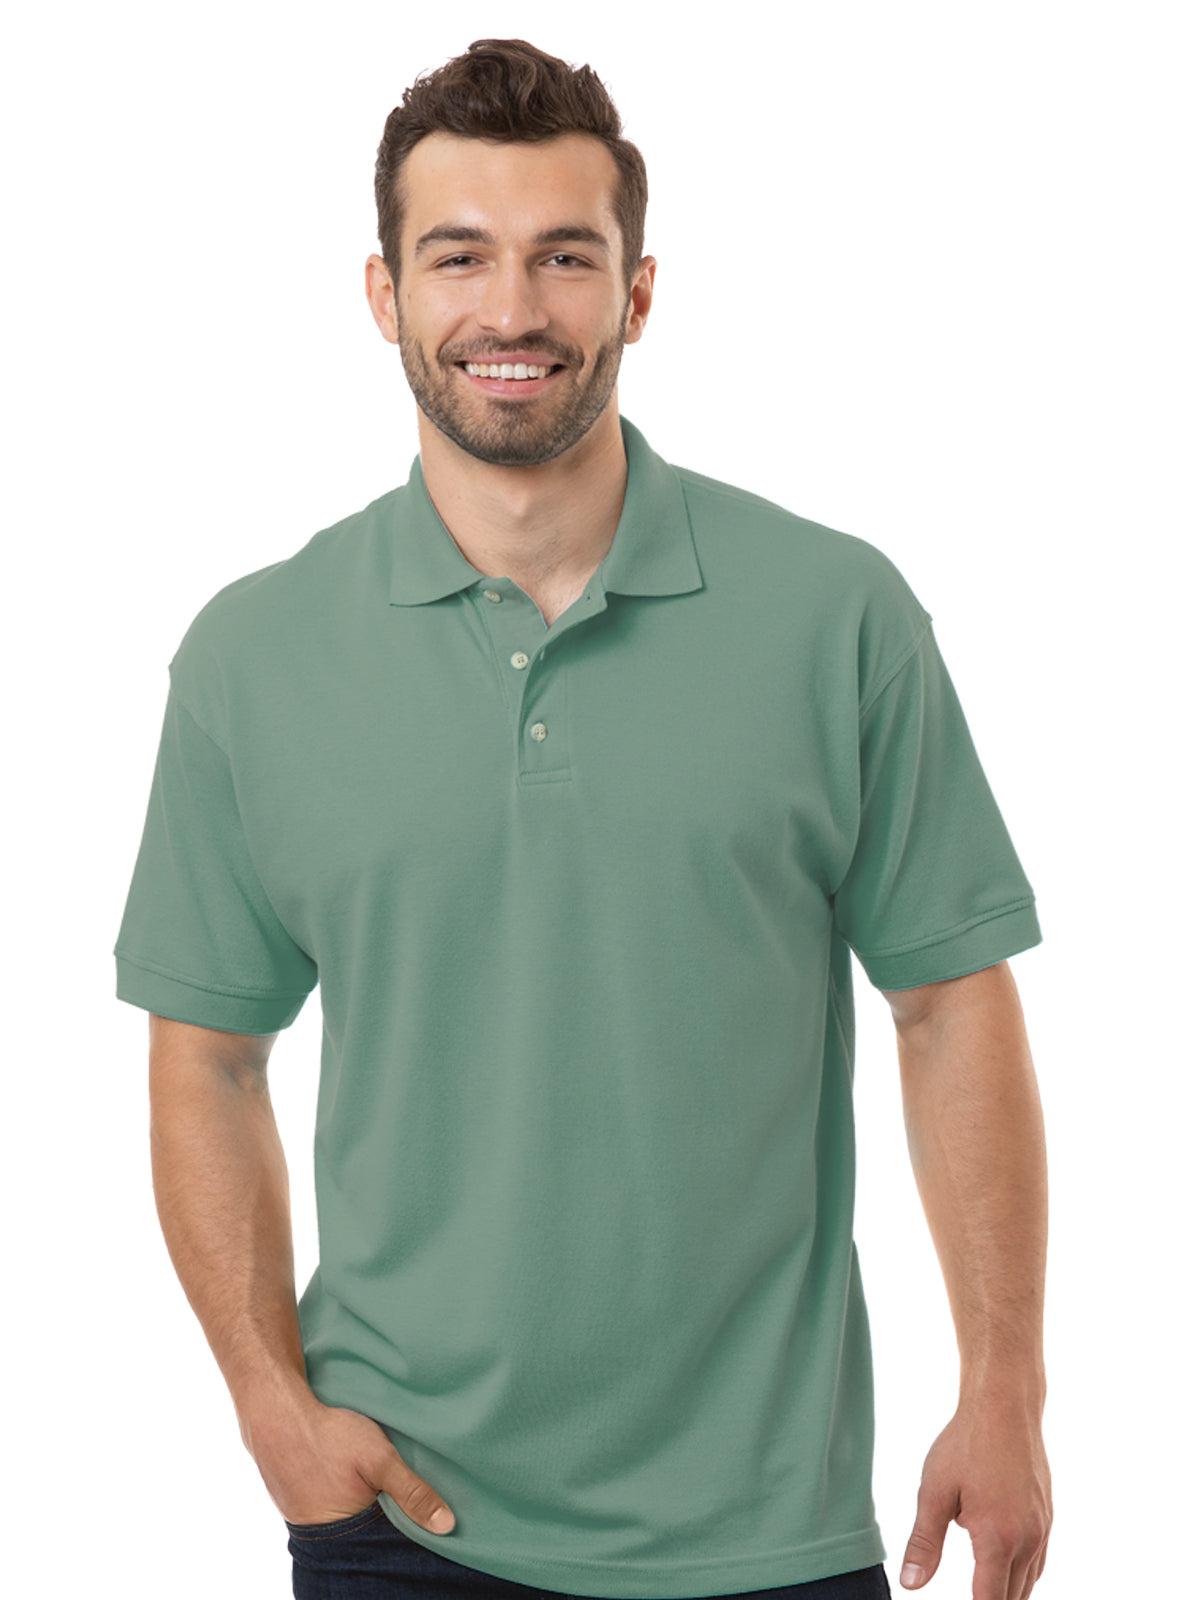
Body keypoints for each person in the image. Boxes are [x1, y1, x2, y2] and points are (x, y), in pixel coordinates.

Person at [113, 37, 1052, 1600]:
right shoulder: (253, 657)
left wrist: (1005, 1386)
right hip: (402, 1520)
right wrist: (271, 1407)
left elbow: (950, 1002)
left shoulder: (836, 617)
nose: (512, 310)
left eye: (564, 255)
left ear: (638, 292)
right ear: (383, 294)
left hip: (769, 1529)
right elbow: (206, 1055)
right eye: (457, 256)